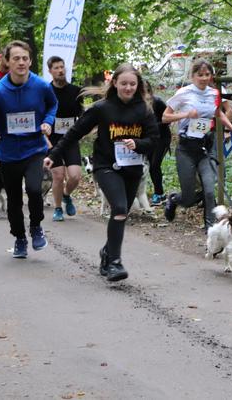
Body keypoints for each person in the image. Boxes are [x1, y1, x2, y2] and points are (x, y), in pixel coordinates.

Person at [44, 63, 159, 281]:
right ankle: (115, 262)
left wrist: (138, 143)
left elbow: (154, 140)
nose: (128, 88)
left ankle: (107, 252)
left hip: (132, 167)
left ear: (138, 85)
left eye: (132, 84)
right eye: (123, 83)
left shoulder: (144, 110)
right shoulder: (102, 108)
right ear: (114, 83)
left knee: (121, 214)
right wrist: (53, 154)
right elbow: (75, 133)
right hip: (106, 166)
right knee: (119, 207)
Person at [0, 40, 58, 259]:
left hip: (34, 149)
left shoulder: (41, 86)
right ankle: (20, 238)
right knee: (13, 198)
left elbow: (52, 105)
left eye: (25, 58)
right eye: (16, 59)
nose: (21, 62)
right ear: (6, 62)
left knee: (33, 189)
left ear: (30, 61)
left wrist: (48, 121)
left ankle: (36, 227)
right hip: (9, 152)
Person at [162, 59, 232, 231]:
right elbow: (164, 117)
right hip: (186, 148)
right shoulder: (184, 93)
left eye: (207, 74)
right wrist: (186, 114)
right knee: (188, 196)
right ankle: (174, 200)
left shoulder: (214, 93)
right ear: (192, 76)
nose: (204, 78)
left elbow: (218, 113)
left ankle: (210, 229)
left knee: (209, 190)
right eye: (200, 75)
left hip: (206, 147)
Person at [47, 56, 84, 222]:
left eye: (62, 67)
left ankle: (66, 195)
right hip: (52, 139)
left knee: (75, 176)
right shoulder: (45, 91)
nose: (60, 70)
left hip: (70, 138)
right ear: (50, 71)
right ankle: (57, 208)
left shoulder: (76, 91)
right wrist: (44, 139)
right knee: (58, 175)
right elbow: (40, 116)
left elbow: (82, 116)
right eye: (56, 68)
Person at [144, 80, 171, 206]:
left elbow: (168, 119)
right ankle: (160, 194)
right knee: (151, 166)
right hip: (148, 139)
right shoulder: (137, 104)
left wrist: (154, 126)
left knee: (155, 164)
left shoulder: (158, 102)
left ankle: (159, 194)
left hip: (162, 138)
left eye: (145, 89)